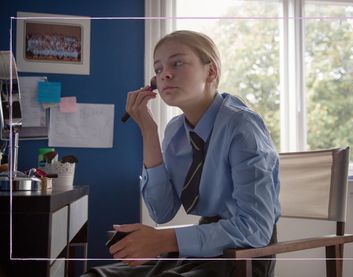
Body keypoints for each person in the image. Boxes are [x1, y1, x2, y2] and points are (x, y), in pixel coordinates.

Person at [85, 30, 280, 277]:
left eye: (177, 63)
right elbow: (162, 211)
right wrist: (148, 129)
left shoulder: (242, 126)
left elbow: (255, 228)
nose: (165, 73)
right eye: (158, 69)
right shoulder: (175, 131)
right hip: (199, 249)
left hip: (243, 256)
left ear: (211, 71)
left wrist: (163, 240)